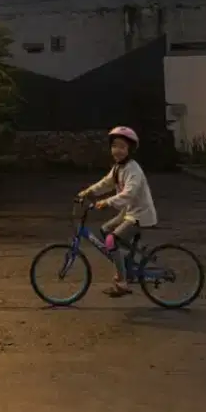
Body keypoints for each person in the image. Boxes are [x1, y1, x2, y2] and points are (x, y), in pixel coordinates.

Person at [77, 126, 158, 298]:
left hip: (140, 215)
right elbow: (105, 183)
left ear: (130, 149)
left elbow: (129, 194)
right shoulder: (117, 168)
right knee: (105, 230)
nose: (117, 150)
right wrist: (87, 192)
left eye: (122, 146)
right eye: (114, 146)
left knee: (111, 240)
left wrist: (106, 202)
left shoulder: (133, 169)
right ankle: (127, 264)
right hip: (128, 212)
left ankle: (122, 282)